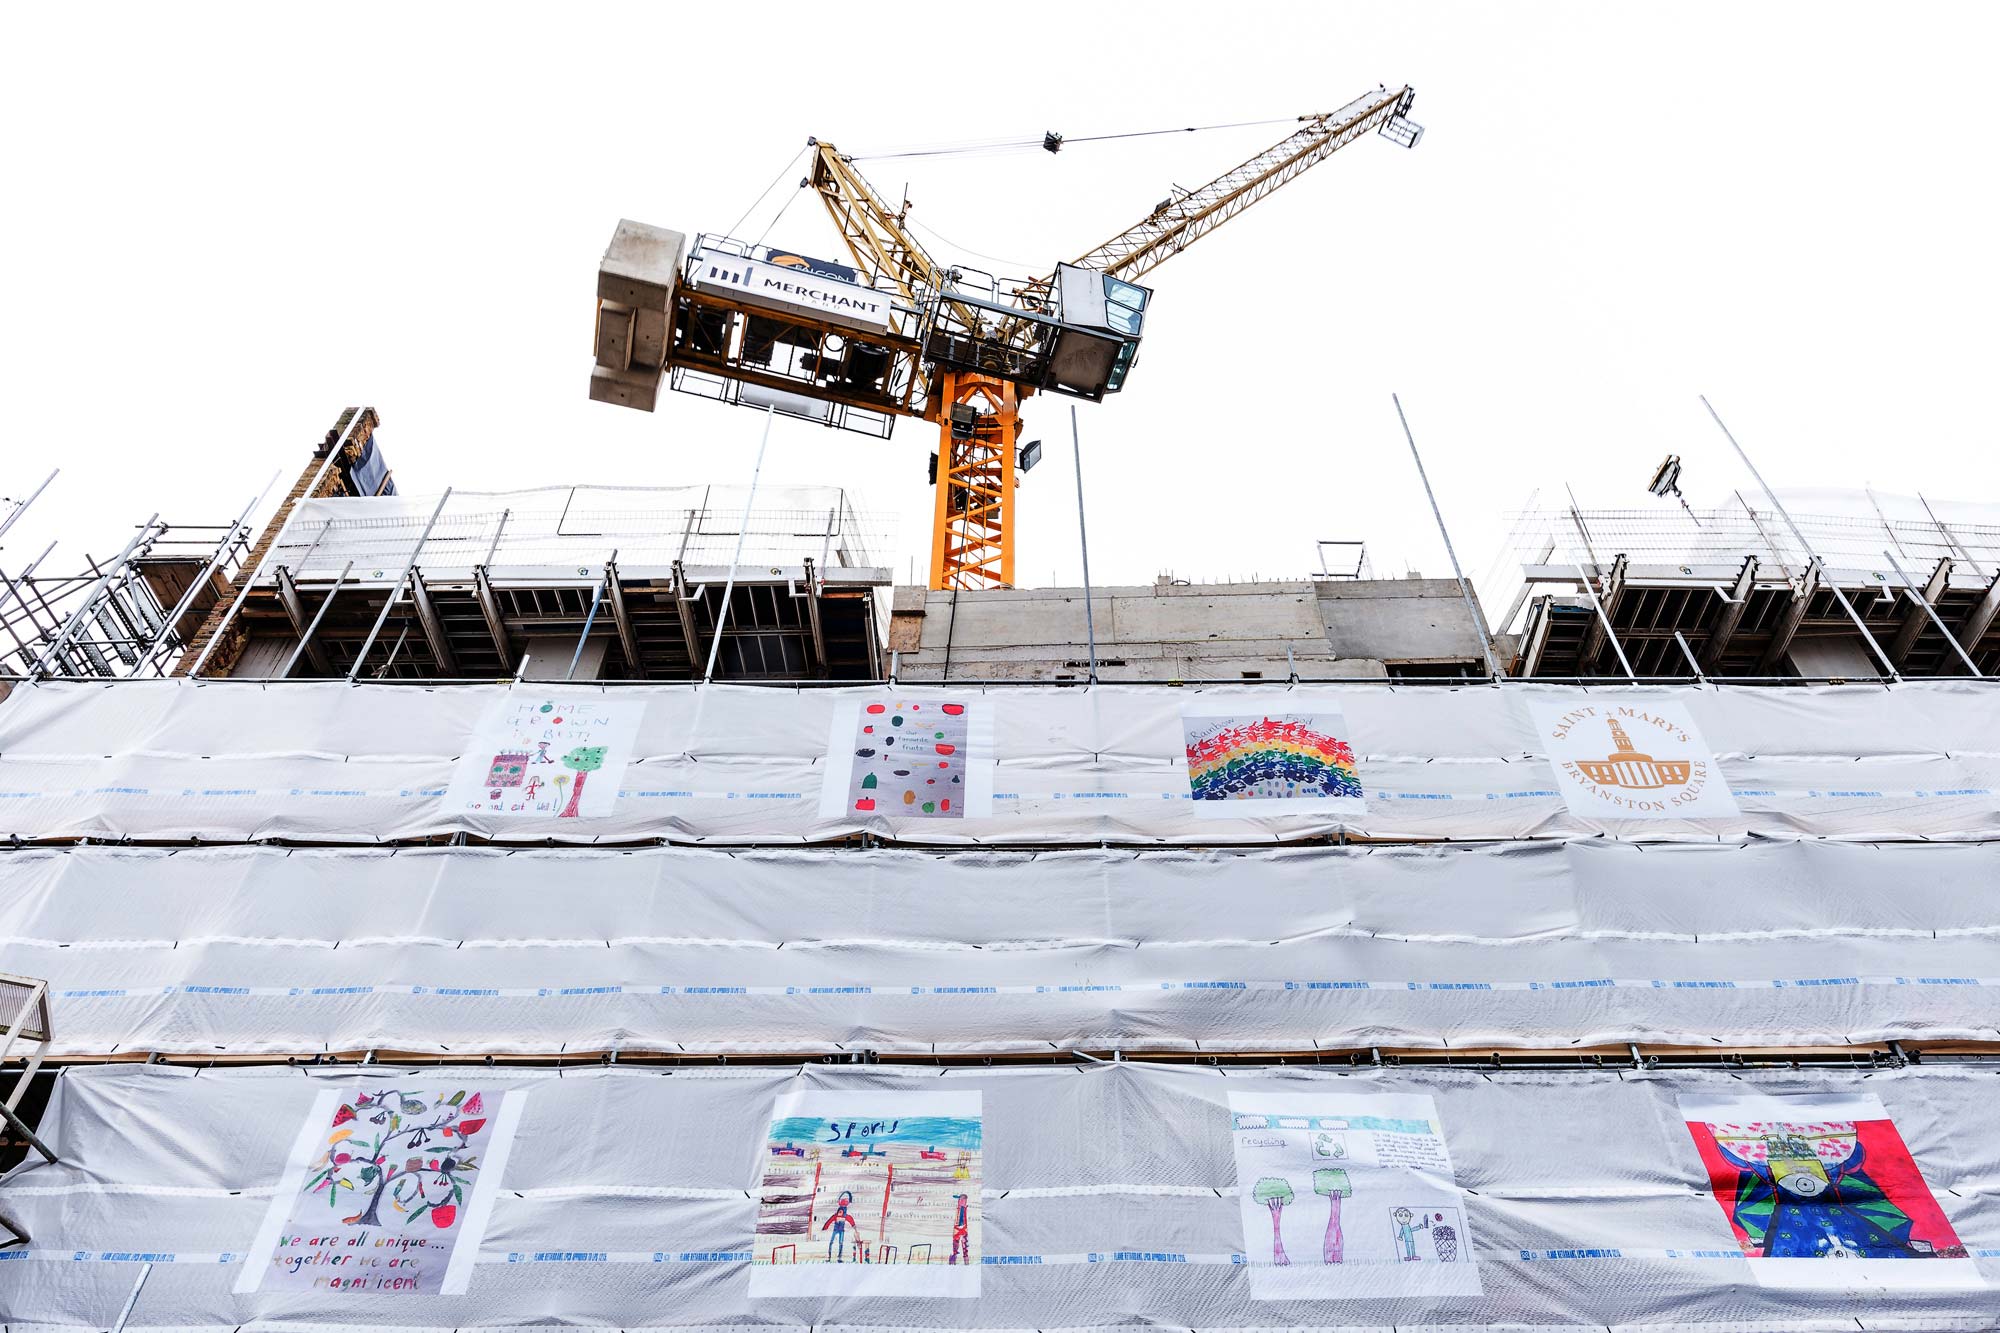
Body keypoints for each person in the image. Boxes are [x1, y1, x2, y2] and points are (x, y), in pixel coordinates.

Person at [822, 1190, 856, 1262]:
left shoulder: (845, 1216)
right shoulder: (835, 1216)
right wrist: (825, 1227)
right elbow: (829, 1221)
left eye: (842, 1211)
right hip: (835, 1230)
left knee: (840, 1243)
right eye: (839, 1211)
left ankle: (839, 1258)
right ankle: (829, 1257)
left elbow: (851, 1220)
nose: (840, 1212)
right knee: (831, 1242)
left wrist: (854, 1226)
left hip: (841, 1231)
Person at [948, 1193, 970, 1264]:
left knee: (963, 1249)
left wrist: (960, 1226)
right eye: (959, 1200)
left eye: (961, 1199)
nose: (959, 1201)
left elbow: (960, 1220)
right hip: (959, 1229)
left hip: (960, 1229)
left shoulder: (962, 1208)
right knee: (959, 1248)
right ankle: (953, 1262)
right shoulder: (960, 1208)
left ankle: (964, 1264)